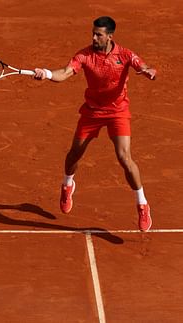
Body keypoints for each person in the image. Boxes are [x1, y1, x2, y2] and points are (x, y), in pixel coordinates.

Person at [33, 16, 156, 231]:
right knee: (74, 154)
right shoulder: (84, 55)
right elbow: (66, 72)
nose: (94, 37)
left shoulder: (125, 54)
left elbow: (142, 65)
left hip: (118, 112)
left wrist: (147, 71)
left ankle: (142, 204)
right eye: (93, 33)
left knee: (124, 157)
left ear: (110, 36)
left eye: (98, 34)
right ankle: (67, 184)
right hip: (92, 112)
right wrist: (47, 73)